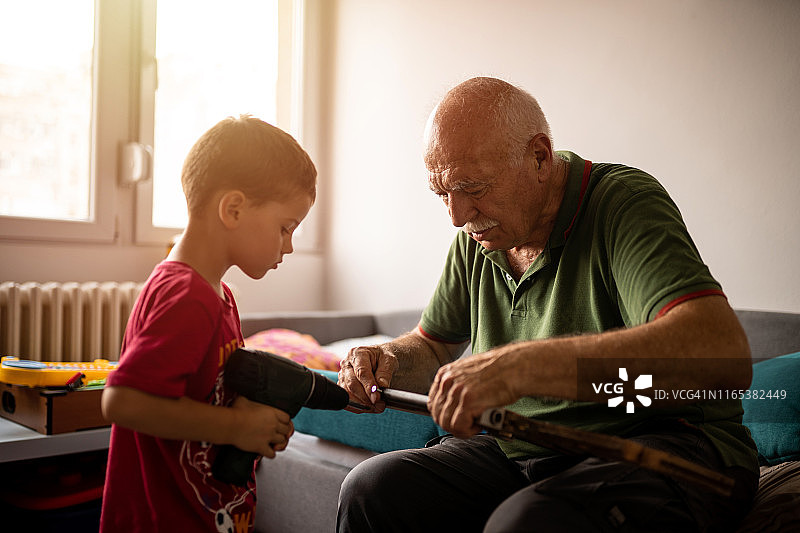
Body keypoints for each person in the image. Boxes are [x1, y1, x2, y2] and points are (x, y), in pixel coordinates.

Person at [336, 77, 759, 532]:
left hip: (666, 445)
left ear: (539, 156)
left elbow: (722, 355)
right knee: (373, 489)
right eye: (442, 193)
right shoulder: (479, 235)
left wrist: (520, 367)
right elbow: (434, 346)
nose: (456, 216)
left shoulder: (623, 203)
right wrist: (385, 363)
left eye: (471, 187)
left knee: (528, 522)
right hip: (525, 448)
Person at [100, 115, 316, 532]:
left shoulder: (219, 294)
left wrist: (247, 416)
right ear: (233, 208)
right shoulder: (188, 296)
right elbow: (123, 401)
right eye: (285, 228)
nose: (288, 246)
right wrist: (236, 426)